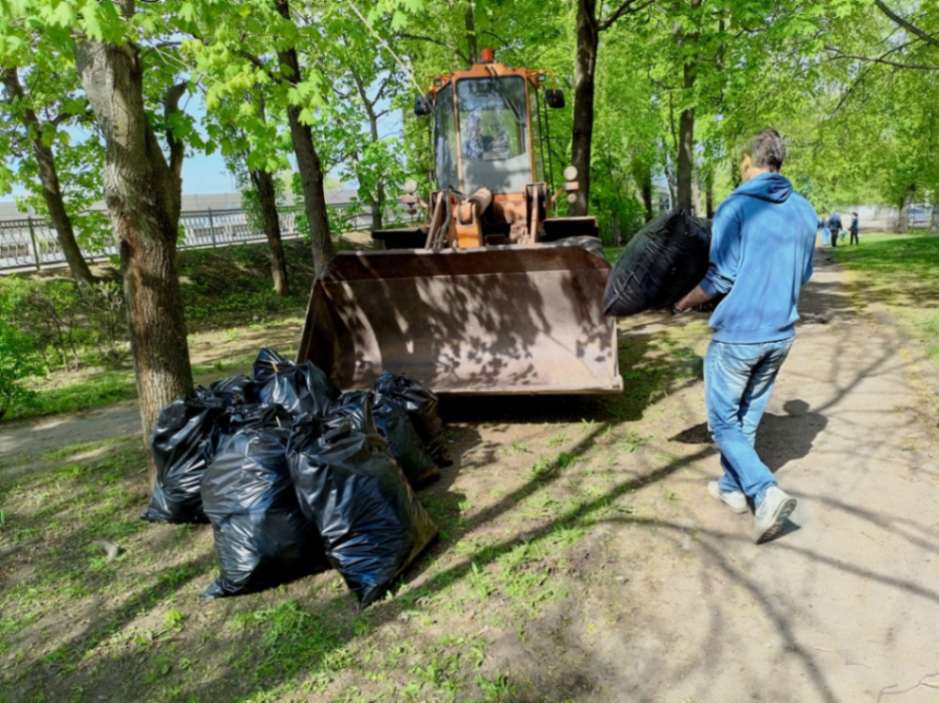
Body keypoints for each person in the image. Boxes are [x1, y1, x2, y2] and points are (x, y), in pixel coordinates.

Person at [674, 128, 817, 544]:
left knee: (722, 424)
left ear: (746, 162)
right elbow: (804, 274)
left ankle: (764, 491)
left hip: (739, 335)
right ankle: (732, 489)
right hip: (781, 333)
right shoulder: (805, 211)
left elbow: (722, 275)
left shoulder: (737, 206)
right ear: (779, 163)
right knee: (748, 417)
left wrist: (683, 301)